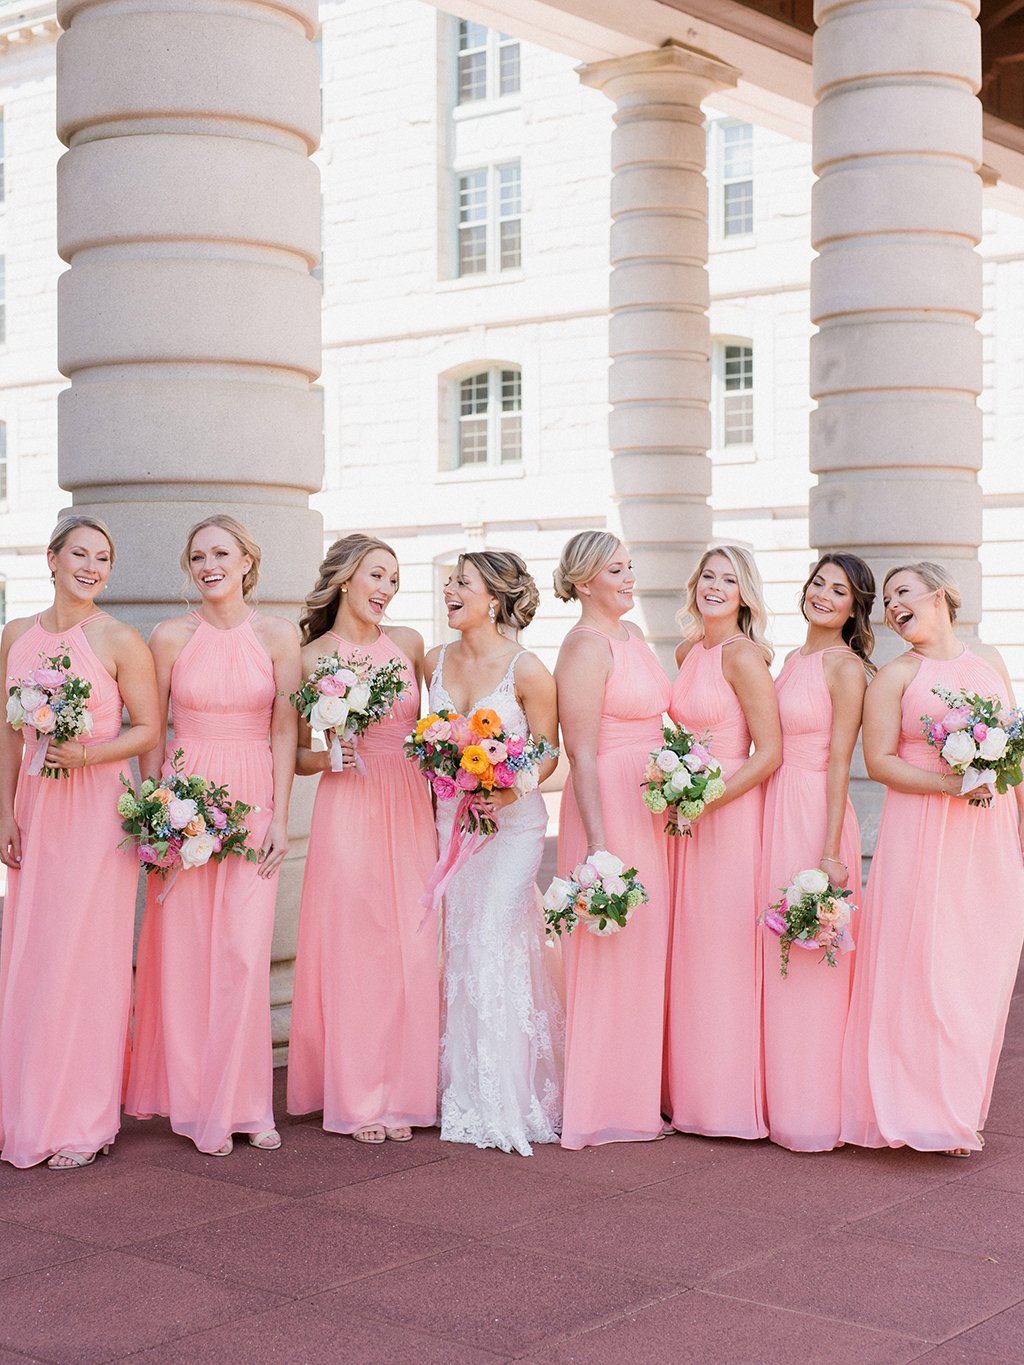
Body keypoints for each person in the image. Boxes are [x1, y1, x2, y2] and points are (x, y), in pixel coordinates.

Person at [126, 515, 300, 1156]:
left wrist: (281, 816)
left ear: (246, 562)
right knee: (189, 954)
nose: (208, 565)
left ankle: (246, 1105)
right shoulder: (169, 636)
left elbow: (285, 729)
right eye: (197, 556)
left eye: (220, 553)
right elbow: (150, 730)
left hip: (254, 795)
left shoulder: (280, 636)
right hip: (186, 800)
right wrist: (153, 809)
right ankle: (199, 1106)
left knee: (244, 954)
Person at [841, 561, 1024, 1157]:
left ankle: (961, 1102)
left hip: (988, 835)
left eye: (903, 592)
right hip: (923, 831)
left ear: (940, 596)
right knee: (925, 966)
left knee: (979, 966)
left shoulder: (990, 660)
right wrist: (950, 784)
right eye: (886, 601)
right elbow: (880, 762)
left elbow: (1014, 746)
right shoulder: (894, 676)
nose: (892, 606)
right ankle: (924, 1111)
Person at [0, 515, 159, 1169]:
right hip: (37, 808)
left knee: (86, 957)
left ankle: (83, 1120)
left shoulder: (119, 638)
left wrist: (89, 751)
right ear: (52, 558)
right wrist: (4, 811)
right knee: (32, 955)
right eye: (81, 554)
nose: (92, 566)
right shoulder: (15, 634)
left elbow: (149, 729)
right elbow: (9, 732)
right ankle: (25, 1108)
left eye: (104, 557)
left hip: (99, 813)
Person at [287, 534, 439, 1144]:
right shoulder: (310, 656)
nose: (386, 590)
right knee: (356, 944)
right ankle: (356, 1098)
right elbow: (295, 753)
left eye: (394, 581)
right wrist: (329, 756)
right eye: (377, 576)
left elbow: (433, 724)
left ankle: (403, 1092)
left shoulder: (408, 645)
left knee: (411, 941)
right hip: (348, 800)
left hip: (408, 800)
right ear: (346, 579)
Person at [425, 549, 562, 1156]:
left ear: (496, 598)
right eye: (450, 582)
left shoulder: (528, 670)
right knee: (460, 944)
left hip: (512, 827)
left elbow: (549, 751)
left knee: (492, 935)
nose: (449, 591)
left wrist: (506, 792)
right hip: (452, 824)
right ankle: (466, 1095)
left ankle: (508, 1099)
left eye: (462, 583)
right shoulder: (432, 661)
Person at [554, 531, 672, 1149]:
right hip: (610, 810)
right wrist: (599, 844)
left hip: (650, 801)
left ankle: (639, 1094)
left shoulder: (634, 637)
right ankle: (603, 1105)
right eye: (616, 570)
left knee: (646, 949)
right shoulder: (584, 646)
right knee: (612, 947)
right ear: (582, 582)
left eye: (630, 566)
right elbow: (581, 752)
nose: (629, 578)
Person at [664, 545, 781, 1140]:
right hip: (687, 811)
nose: (715, 586)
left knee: (723, 947)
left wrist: (707, 800)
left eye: (728, 579)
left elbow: (770, 753)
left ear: (744, 593)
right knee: (690, 946)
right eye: (707, 575)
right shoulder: (688, 652)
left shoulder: (742, 657)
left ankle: (726, 1100)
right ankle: (688, 1091)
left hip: (729, 811)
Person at [761, 553, 874, 1152]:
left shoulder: (845, 667)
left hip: (816, 812)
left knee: (813, 958)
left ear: (855, 608)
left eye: (840, 591)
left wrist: (830, 850)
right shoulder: (790, 661)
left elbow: (839, 761)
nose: (824, 596)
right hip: (776, 806)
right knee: (778, 950)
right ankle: (778, 1100)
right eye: (819, 584)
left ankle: (814, 1112)